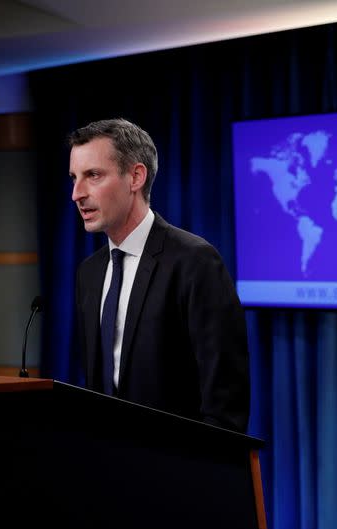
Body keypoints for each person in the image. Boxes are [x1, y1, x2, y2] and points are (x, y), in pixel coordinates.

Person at [69, 118, 250, 432]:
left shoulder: (194, 261)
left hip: (179, 468)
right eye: (74, 178)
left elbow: (225, 402)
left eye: (93, 175)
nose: (77, 193)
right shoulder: (89, 272)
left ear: (136, 177)